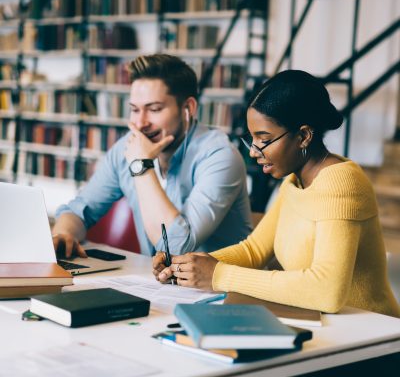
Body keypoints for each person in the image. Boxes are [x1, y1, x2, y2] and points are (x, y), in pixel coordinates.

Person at [154, 69, 400, 318]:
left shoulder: (341, 183)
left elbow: (327, 291)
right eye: (252, 139)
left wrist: (218, 275)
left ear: (303, 136)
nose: (253, 151)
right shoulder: (295, 180)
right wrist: (187, 265)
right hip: (325, 327)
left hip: (371, 334)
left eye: (264, 139)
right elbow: (254, 251)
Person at [52, 54, 252, 257]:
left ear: (188, 108)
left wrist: (141, 165)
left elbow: (175, 246)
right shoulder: (126, 149)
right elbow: (79, 211)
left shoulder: (220, 156)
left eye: (154, 109)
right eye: (134, 110)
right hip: (154, 284)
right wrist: (64, 234)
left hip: (219, 287)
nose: (140, 124)